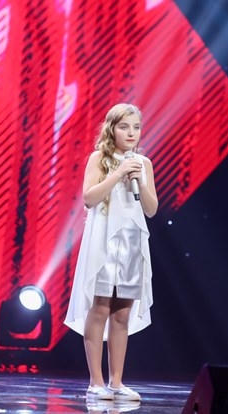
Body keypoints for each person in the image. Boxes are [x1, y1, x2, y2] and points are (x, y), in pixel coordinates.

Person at [64, 103, 158, 401]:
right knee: (101, 306)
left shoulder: (143, 163)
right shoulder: (100, 159)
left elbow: (151, 209)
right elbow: (89, 198)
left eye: (136, 127)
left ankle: (117, 382)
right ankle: (96, 382)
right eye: (124, 127)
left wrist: (138, 180)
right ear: (112, 129)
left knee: (122, 312)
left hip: (132, 242)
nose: (131, 133)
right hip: (104, 240)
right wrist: (118, 173)